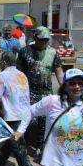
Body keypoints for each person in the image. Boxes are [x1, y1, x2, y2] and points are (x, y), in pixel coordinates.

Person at [0, 52, 39, 166]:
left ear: (4, 62)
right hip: (24, 113)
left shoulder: (2, 75)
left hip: (12, 114)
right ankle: (1, 157)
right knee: (11, 138)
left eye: (0, 62)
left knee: (17, 145)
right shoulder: (22, 74)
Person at [17, 26, 63, 157]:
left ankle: (41, 146)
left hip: (46, 92)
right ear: (35, 38)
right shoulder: (25, 51)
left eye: (46, 40)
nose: (43, 42)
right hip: (28, 92)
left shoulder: (53, 53)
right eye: (41, 39)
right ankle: (22, 145)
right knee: (26, 119)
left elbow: (59, 72)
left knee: (45, 120)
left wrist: (66, 88)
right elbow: (18, 73)